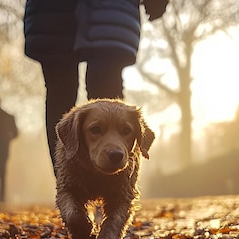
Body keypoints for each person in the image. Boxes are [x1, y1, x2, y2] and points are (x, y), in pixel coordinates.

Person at [23, 0, 168, 172]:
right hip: (103, 11)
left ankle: (114, 184)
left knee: (83, 94)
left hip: (61, 11)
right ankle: (70, 185)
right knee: (73, 91)